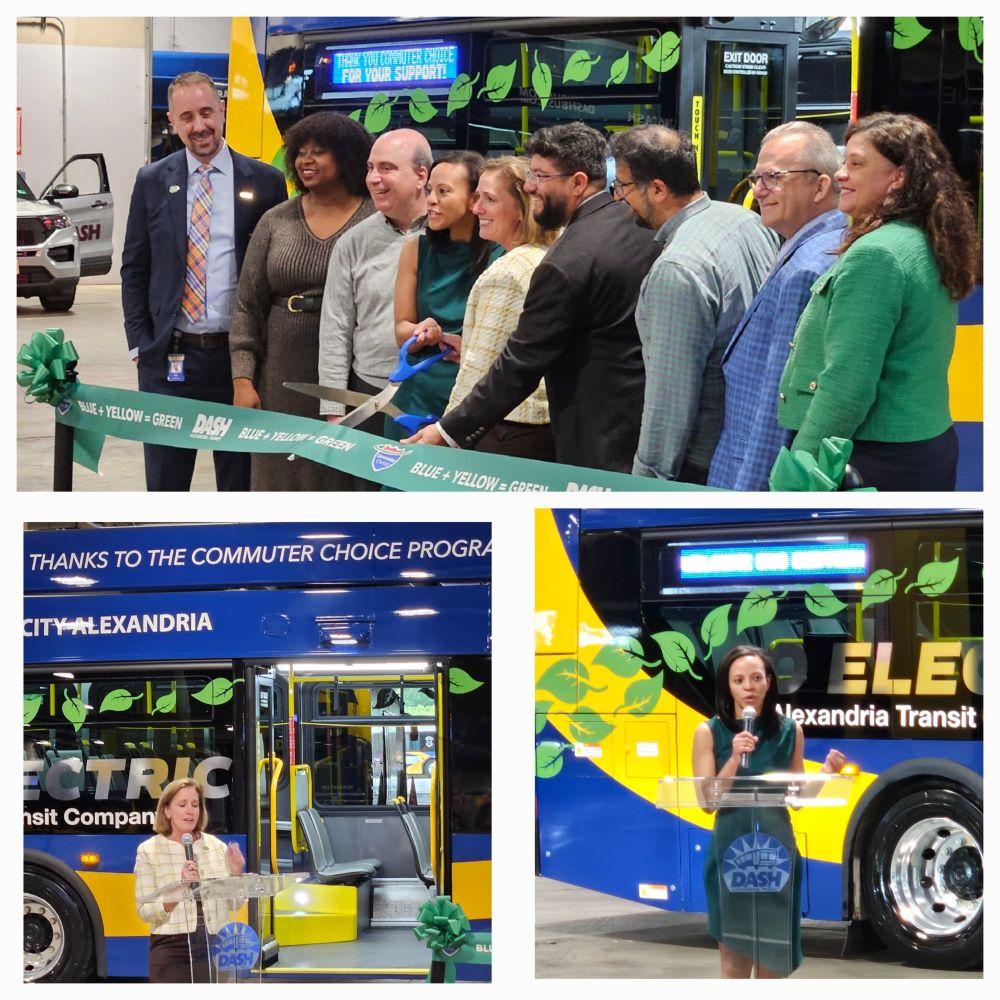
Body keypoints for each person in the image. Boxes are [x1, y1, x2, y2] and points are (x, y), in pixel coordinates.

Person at [404, 122, 661, 473]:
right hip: (630, 425)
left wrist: (448, 430)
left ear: (578, 183)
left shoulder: (561, 260)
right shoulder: (635, 223)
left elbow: (519, 365)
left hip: (563, 435)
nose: (530, 185)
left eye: (540, 176)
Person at [777, 113, 979, 490]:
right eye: (843, 162)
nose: (841, 174)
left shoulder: (877, 255)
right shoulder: (922, 240)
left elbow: (845, 386)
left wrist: (799, 468)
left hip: (871, 461)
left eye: (856, 164)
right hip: (921, 450)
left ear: (898, 176)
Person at [121, 71, 287, 492]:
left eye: (207, 112)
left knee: (239, 484)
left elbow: (275, 272)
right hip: (169, 358)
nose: (200, 126)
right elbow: (135, 267)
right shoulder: (152, 181)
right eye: (187, 117)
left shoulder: (265, 181)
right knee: (165, 484)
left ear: (224, 112)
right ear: (173, 123)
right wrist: (141, 342)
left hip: (239, 364)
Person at [608, 125, 778, 484]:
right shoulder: (745, 220)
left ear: (658, 189)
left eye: (622, 187)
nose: (618, 198)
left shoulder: (678, 269)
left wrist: (647, 485)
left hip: (701, 463)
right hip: (750, 443)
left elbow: (670, 400)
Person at [229, 112, 375, 490]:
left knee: (340, 472)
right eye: (300, 152)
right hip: (280, 375)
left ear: (347, 157)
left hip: (353, 374)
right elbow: (247, 304)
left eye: (319, 152)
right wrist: (243, 379)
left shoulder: (375, 218)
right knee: (280, 473)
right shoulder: (275, 220)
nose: (305, 161)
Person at [708, 122, 846, 490]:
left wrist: (748, 497)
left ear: (820, 186)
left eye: (774, 177)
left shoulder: (807, 268)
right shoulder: (816, 246)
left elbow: (777, 403)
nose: (759, 189)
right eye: (756, 177)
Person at [692, 646, 845, 978]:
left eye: (756, 678)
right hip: (731, 851)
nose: (748, 686)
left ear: (769, 683)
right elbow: (707, 801)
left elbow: (797, 797)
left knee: (773, 964)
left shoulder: (790, 730)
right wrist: (733, 757)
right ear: (727, 686)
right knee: (734, 964)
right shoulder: (708, 732)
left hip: (777, 852)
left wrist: (826, 773)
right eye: (739, 680)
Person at [316, 128, 432, 489]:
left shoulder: (458, 234)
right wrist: (334, 411)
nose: (374, 179)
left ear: (421, 175)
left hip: (436, 395)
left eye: (386, 168)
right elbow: (336, 326)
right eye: (370, 168)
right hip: (368, 396)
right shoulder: (353, 242)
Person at [444, 156, 559, 460]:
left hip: (506, 431)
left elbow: (478, 374)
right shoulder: (549, 256)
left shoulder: (507, 272)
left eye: (489, 199)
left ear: (522, 210)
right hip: (545, 430)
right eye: (477, 197)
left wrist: (444, 434)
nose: (476, 208)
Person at [386, 151, 501, 442]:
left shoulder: (501, 255)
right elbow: (402, 330)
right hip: (416, 392)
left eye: (443, 191)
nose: (431, 200)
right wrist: (421, 331)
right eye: (429, 191)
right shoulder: (416, 248)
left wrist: (470, 348)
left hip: (472, 396)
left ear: (475, 200)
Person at [134, 778, 246, 982]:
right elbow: (145, 910)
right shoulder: (149, 851)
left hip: (215, 944)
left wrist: (236, 874)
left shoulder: (216, 846)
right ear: (167, 811)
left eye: (195, 805)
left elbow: (235, 903)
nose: (190, 811)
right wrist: (181, 887)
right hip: (172, 947)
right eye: (182, 804)